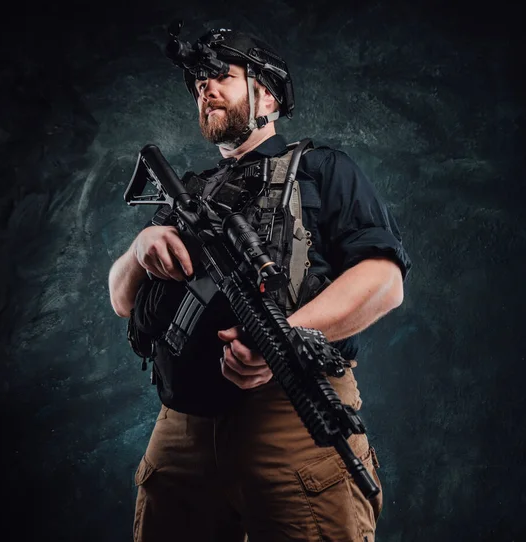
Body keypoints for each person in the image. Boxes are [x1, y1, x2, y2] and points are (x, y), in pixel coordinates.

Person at [108, 27, 412, 542]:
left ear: (266, 93)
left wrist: (282, 343)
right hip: (181, 426)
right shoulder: (190, 192)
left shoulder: (322, 170)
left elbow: (383, 280)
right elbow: (122, 299)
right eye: (199, 82)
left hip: (291, 413)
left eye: (221, 76)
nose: (205, 88)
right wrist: (141, 248)